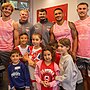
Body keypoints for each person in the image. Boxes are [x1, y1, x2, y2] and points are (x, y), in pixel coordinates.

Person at [74, 2, 90, 90]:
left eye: (84, 8)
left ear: (87, 10)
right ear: (77, 10)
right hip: (80, 55)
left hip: (89, 56)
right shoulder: (75, 24)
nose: (82, 10)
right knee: (84, 76)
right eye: (80, 9)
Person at [0, 2, 19, 67]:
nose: (7, 11)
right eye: (6, 8)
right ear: (2, 9)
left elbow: (16, 38)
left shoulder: (14, 23)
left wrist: (15, 51)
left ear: (11, 12)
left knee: (7, 70)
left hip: (8, 50)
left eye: (9, 9)